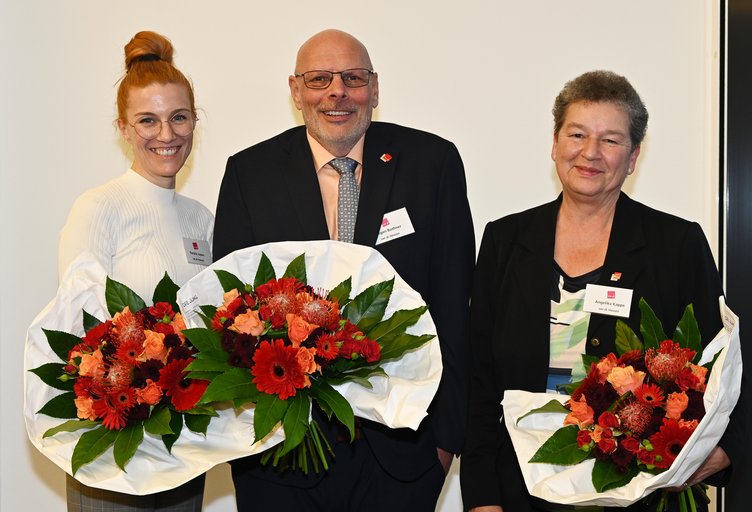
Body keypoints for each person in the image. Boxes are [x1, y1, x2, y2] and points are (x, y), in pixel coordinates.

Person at [213, 29, 475, 512]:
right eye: (319, 79)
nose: (338, 92)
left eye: (353, 78)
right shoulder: (250, 174)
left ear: (374, 89)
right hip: (281, 455)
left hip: (403, 451)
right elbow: (231, 316)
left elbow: (454, 305)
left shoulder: (432, 164)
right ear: (295, 91)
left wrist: (446, 442)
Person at [460, 70, 744, 512]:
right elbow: (480, 380)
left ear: (632, 158)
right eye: (577, 134)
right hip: (522, 490)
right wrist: (481, 497)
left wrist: (725, 448)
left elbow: (719, 364)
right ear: (555, 144)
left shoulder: (676, 244)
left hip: (640, 490)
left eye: (611, 140)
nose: (590, 153)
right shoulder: (506, 240)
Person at [58, 30, 214, 512]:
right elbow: (75, 334)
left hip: (183, 450)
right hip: (114, 451)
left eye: (179, 118)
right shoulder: (98, 208)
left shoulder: (201, 218)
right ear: (123, 128)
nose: (166, 135)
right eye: (148, 120)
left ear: (194, 121)